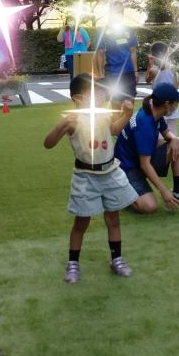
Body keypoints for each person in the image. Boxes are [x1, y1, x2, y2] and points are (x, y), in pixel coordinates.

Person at [43, 74, 138, 283]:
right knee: (81, 221)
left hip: (110, 172)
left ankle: (117, 259)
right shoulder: (73, 120)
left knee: (113, 218)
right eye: (93, 93)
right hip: (85, 176)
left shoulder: (103, 115)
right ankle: (73, 263)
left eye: (100, 92)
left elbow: (113, 130)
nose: (100, 96)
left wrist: (126, 115)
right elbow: (48, 143)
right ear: (78, 98)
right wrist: (60, 126)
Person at [114, 82, 179, 212]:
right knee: (150, 207)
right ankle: (120, 191)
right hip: (127, 169)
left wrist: (172, 139)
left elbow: (166, 132)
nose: (177, 105)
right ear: (167, 104)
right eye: (176, 102)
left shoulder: (153, 110)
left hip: (137, 161)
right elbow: (145, 164)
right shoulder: (145, 123)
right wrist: (164, 191)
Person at [98, 18, 140, 104]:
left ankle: (127, 117)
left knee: (129, 104)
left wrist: (136, 71)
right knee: (115, 104)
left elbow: (133, 51)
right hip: (112, 72)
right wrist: (101, 73)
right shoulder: (103, 31)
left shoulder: (129, 30)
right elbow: (100, 53)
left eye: (120, 11)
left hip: (129, 71)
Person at [146, 42, 179, 137]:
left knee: (157, 133)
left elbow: (147, 80)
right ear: (167, 53)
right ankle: (173, 149)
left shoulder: (154, 69)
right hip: (170, 104)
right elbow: (175, 88)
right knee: (172, 132)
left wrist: (149, 65)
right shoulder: (173, 70)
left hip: (157, 104)